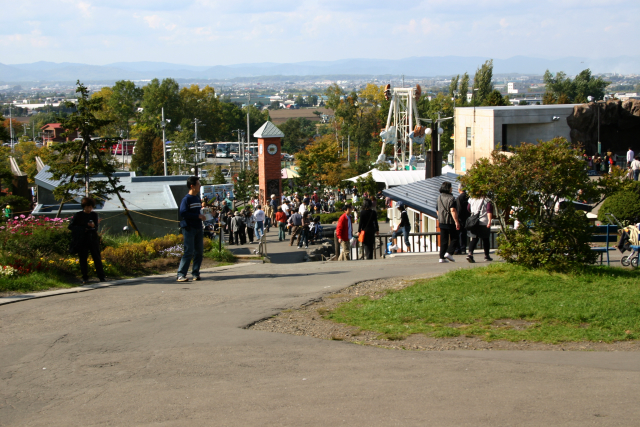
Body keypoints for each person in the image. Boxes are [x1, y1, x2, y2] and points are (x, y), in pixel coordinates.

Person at [69, 197, 105, 284]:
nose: (89, 209)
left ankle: (101, 277)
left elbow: (96, 227)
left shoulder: (94, 215)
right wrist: (83, 228)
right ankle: (85, 277)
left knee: (97, 257)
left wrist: (93, 226)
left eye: (91, 207)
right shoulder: (78, 215)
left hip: (92, 238)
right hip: (82, 239)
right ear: (84, 206)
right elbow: (71, 226)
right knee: (83, 258)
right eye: (87, 207)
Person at [177, 176, 206, 282]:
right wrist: (197, 216)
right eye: (198, 184)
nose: (200, 186)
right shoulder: (186, 199)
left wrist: (204, 213)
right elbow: (183, 212)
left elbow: (198, 212)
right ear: (192, 186)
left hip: (198, 227)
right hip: (189, 228)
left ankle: (195, 273)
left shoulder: (197, 198)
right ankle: (181, 274)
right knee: (188, 251)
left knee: (199, 252)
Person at [436, 181, 460, 263]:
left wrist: (440, 217)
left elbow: (437, 210)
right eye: (451, 187)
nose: (452, 188)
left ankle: (441, 257)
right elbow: (453, 210)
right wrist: (456, 221)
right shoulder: (451, 198)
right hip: (449, 221)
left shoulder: (439, 197)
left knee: (444, 240)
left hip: (441, 221)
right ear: (448, 188)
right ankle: (449, 253)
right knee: (455, 238)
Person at [466, 197, 493, 263]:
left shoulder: (472, 199)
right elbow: (489, 210)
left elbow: (468, 208)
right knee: (485, 239)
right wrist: (489, 220)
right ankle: (486, 256)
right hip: (484, 221)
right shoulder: (487, 199)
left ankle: (470, 254)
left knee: (474, 238)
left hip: (474, 222)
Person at [455, 185, 470, 255]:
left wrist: (457, 219)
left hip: (461, 218)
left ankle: (459, 249)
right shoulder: (468, 197)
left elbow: (459, 209)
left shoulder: (459, 198)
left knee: (460, 234)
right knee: (464, 233)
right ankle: (463, 248)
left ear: (459, 189)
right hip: (467, 217)